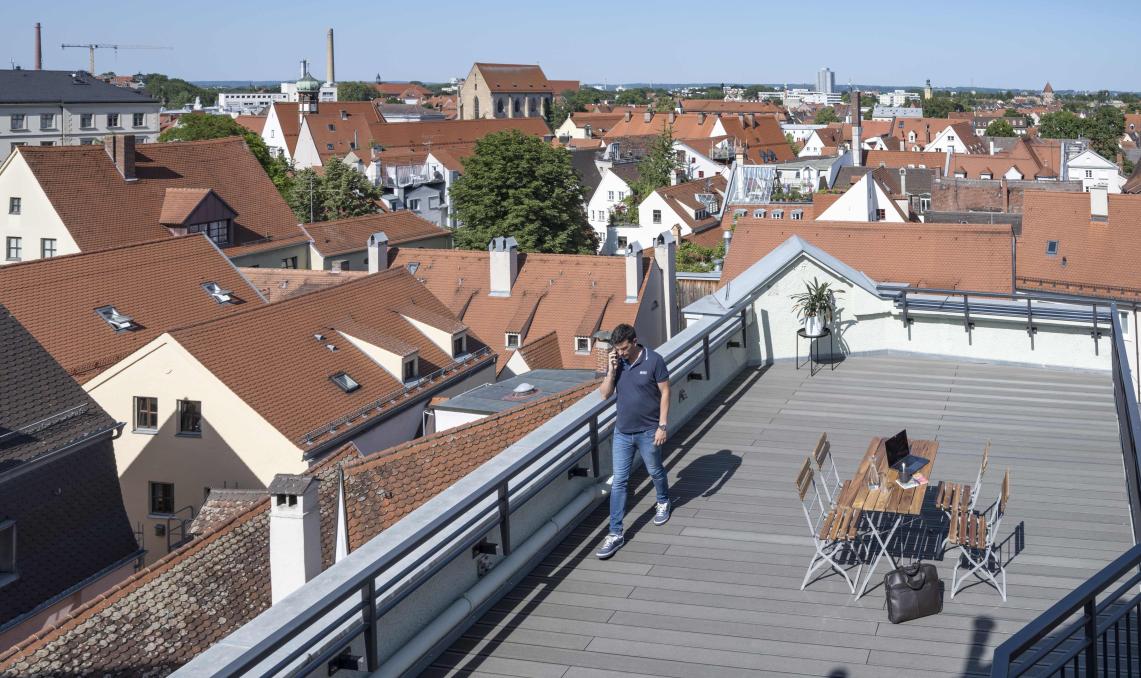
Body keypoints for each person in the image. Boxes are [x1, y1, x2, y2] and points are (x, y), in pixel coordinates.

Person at [596, 323, 671, 559]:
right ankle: (615, 533)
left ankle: (663, 501)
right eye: (617, 349)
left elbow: (666, 392)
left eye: (624, 348)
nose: (621, 353)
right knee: (619, 481)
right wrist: (610, 370)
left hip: (649, 431)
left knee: (655, 471)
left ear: (635, 341)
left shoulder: (654, 360)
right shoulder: (617, 364)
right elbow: (605, 394)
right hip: (622, 433)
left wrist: (662, 426)